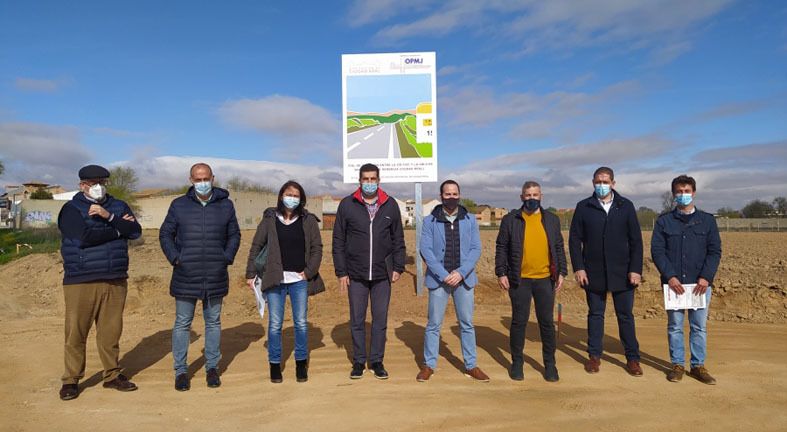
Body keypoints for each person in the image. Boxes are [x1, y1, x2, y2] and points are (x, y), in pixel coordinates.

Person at [57, 164, 141, 400]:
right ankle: (71, 380)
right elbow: (83, 238)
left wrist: (109, 217)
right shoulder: (71, 209)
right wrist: (118, 230)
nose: (99, 187)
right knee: (76, 332)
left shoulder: (118, 206)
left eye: (102, 183)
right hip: (81, 279)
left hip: (114, 277)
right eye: (93, 183)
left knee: (110, 332)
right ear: (82, 185)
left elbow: (135, 231)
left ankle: (112, 375)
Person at [159, 163, 240, 391]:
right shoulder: (179, 205)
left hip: (215, 273)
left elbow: (234, 234)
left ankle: (212, 367)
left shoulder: (226, 205)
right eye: (197, 179)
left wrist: (226, 257)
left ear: (213, 178)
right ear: (191, 180)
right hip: (186, 273)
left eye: (205, 178)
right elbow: (165, 234)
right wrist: (176, 258)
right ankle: (181, 371)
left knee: (213, 322)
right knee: (182, 323)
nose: (202, 182)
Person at [332, 163, 406, 380]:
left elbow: (398, 239)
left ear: (379, 181)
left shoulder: (390, 205)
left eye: (373, 179)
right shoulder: (347, 204)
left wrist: (398, 267)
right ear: (360, 181)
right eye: (366, 179)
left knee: (380, 319)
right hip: (356, 274)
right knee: (357, 319)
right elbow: (338, 240)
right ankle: (358, 361)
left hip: (383, 274)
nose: (369, 183)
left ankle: (376, 361)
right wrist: (341, 271)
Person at [245, 180, 323, 383]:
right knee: (275, 324)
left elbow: (317, 248)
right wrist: (250, 273)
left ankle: (301, 363)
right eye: (289, 194)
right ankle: (274, 364)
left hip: (298, 280)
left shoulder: (308, 220)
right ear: (281, 196)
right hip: (275, 278)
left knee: (301, 323)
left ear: (301, 199)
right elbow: (256, 246)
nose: (292, 198)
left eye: (296, 196)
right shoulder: (269, 219)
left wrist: (309, 272)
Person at [569, 166, 644, 376]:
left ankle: (632, 358)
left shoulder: (625, 206)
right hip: (593, 272)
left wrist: (635, 269)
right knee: (595, 314)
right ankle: (594, 357)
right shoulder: (584, 207)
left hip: (623, 272)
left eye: (605, 181)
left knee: (625, 316)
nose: (602, 185)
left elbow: (636, 241)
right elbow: (574, 240)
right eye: (598, 182)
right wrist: (579, 267)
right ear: (593, 183)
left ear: (613, 183)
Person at [651, 175, 721, 385]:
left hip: (700, 285)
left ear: (694, 193)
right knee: (675, 326)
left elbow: (714, 251)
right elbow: (657, 251)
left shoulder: (707, 221)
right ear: (674, 195)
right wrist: (670, 276)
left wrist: (706, 277)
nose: (683, 195)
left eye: (687, 191)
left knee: (699, 327)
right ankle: (677, 365)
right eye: (679, 192)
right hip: (674, 285)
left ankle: (698, 366)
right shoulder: (664, 221)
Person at [495, 181, 567, 382]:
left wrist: (562, 272)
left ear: (541, 196)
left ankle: (550, 365)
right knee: (519, 322)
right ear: (522, 197)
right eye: (528, 195)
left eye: (535, 195)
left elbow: (558, 247)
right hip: (520, 280)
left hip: (545, 279)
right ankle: (517, 363)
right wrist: (501, 273)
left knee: (546, 323)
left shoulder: (551, 219)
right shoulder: (511, 220)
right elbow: (501, 247)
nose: (532, 198)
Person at [417, 180, 487, 382]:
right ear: (441, 196)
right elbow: (425, 250)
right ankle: (429, 365)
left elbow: (476, 249)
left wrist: (461, 273)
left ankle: (471, 365)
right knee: (433, 324)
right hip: (439, 280)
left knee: (466, 324)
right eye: (447, 194)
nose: (451, 197)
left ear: (459, 195)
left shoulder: (470, 219)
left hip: (463, 280)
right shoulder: (429, 221)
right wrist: (443, 274)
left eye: (455, 193)